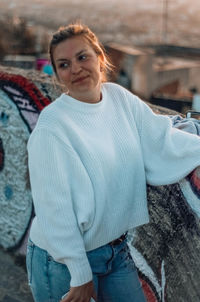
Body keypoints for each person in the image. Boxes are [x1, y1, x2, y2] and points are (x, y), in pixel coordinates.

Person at [26, 23, 200, 302]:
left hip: (117, 251)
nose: (76, 69)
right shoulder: (52, 127)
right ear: (57, 74)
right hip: (62, 262)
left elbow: (161, 137)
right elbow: (53, 208)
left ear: (100, 57)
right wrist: (79, 274)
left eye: (83, 57)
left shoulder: (119, 98)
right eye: (64, 64)